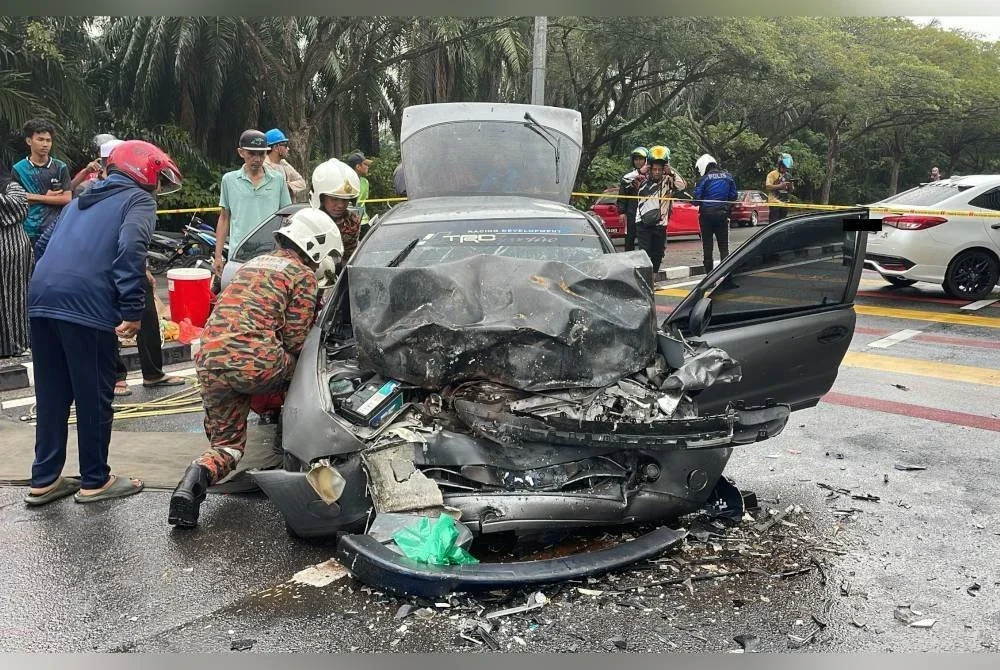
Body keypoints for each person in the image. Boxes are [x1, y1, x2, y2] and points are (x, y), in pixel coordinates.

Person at [23, 140, 183, 507]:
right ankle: (95, 480)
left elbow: (43, 244)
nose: (158, 189)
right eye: (158, 180)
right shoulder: (138, 201)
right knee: (94, 394)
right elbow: (131, 249)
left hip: (43, 297)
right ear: (145, 173)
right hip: (86, 304)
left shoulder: (81, 197)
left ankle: (44, 479)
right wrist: (132, 310)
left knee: (52, 394)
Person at [167, 208, 343, 528]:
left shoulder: (252, 264)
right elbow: (296, 340)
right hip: (255, 363)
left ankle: (190, 485)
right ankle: (292, 440)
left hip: (210, 358)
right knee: (305, 365)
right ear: (316, 246)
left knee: (228, 446)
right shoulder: (302, 275)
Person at [213, 130, 292, 277]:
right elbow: (224, 218)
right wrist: (218, 256)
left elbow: (287, 217)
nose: (257, 159)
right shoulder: (229, 180)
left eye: (261, 154)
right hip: (239, 254)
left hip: (270, 255)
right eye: (252, 153)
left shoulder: (278, 179)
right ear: (241, 152)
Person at [12, 118, 72, 247]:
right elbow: (17, 200)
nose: (45, 144)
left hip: (55, 229)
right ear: (29, 141)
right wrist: (49, 198)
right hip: (28, 231)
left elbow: (67, 198)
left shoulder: (60, 167)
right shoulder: (18, 169)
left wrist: (33, 197)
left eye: (48, 140)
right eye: (40, 139)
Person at [634, 145, 687, 273]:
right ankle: (645, 279)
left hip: (660, 224)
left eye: (660, 169)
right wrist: (641, 171)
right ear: (650, 168)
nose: (657, 172)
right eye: (654, 169)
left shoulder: (668, 181)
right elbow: (625, 180)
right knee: (644, 254)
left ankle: (653, 278)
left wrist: (671, 171)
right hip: (643, 224)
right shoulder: (641, 180)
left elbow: (682, 186)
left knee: (658, 255)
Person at [0, 160, 31, 358]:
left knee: (15, 299)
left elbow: (20, 207)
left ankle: (18, 344)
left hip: (13, 254)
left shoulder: (11, 186)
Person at [310, 158, 363, 265]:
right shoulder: (307, 221)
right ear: (321, 198)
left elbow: (351, 258)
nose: (340, 205)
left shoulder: (352, 222)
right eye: (334, 199)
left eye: (345, 200)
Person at [693, 154, 739, 273]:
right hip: (722, 216)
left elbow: (696, 200)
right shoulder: (728, 177)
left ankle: (709, 277)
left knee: (707, 248)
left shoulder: (703, 179)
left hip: (706, 217)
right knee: (724, 248)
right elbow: (734, 196)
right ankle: (726, 276)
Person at [616, 147, 649, 251]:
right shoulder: (629, 177)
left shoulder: (652, 176)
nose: (638, 161)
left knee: (646, 240)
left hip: (647, 213)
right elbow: (622, 195)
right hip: (632, 212)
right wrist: (621, 212)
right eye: (636, 159)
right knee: (629, 239)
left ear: (646, 160)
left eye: (641, 159)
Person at [264, 128, 308, 203]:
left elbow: (302, 183)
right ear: (276, 148)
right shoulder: (263, 166)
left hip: (287, 207)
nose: (288, 148)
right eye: (285, 145)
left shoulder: (284, 163)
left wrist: (287, 185)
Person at [346, 151, 373, 234]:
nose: (368, 167)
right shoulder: (346, 182)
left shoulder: (365, 182)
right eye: (365, 164)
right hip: (350, 223)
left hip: (363, 221)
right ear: (358, 166)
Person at [765, 152, 795, 222]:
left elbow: (791, 190)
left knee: (782, 223)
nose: (784, 169)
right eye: (783, 167)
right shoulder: (772, 174)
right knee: (774, 222)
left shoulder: (788, 176)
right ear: (779, 165)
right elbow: (768, 187)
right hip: (774, 202)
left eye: (786, 168)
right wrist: (780, 186)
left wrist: (791, 187)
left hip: (785, 203)